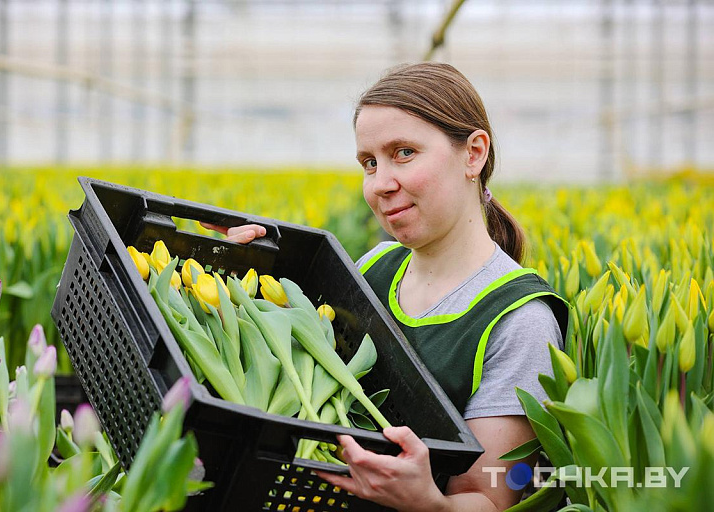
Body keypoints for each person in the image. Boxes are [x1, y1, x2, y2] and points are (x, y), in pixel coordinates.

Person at [203, 62, 569, 511]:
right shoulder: (375, 266)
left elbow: (488, 499)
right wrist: (239, 284)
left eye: (405, 153)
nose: (381, 184)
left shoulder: (519, 320)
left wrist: (426, 502)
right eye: (369, 162)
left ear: (473, 154)